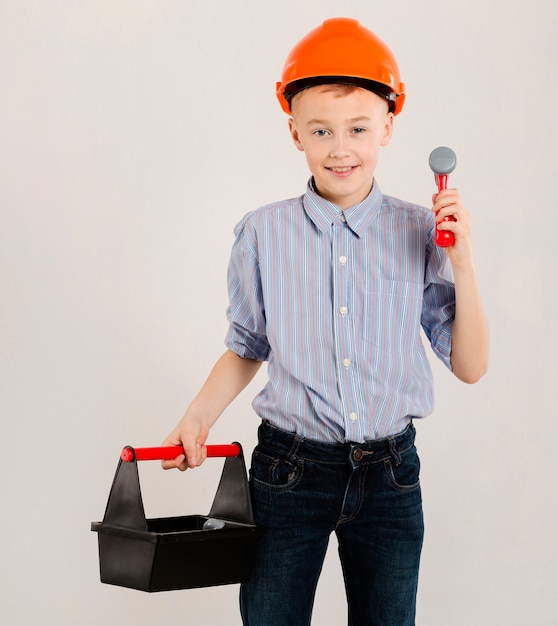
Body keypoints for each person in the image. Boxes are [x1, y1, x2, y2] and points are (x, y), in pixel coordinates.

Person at [162, 17, 489, 626]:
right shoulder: (262, 232)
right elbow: (245, 346)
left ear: (388, 126)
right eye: (321, 130)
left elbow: (470, 366)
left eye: (359, 129)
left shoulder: (421, 230)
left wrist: (462, 260)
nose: (341, 148)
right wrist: (197, 417)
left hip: (391, 477)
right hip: (288, 474)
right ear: (295, 133)